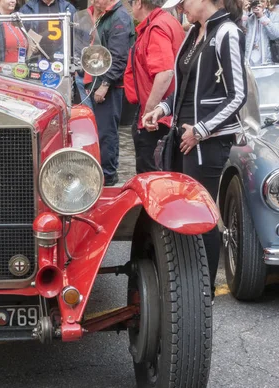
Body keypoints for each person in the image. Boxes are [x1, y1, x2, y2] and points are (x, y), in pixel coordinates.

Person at [142, 0, 247, 299]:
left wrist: (201, 131)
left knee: (202, 216)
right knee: (183, 214)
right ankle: (189, 288)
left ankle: (203, 293)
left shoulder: (227, 32)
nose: (181, 8)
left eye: (184, 2)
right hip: (183, 137)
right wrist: (161, 108)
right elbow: (185, 87)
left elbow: (238, 95)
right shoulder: (193, 33)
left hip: (206, 142)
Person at [124, 0, 185, 173]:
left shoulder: (156, 27)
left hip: (158, 119)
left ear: (138, 3)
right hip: (164, 113)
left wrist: (149, 112)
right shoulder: (165, 21)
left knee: (151, 177)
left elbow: (165, 72)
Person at [87, 0, 135, 186]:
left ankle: (107, 176)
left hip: (108, 86)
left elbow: (118, 57)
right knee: (100, 131)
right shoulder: (107, 15)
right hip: (96, 81)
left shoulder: (119, 17)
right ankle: (103, 172)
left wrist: (105, 84)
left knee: (106, 132)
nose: (93, 1)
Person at [242, 0, 279, 65]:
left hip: (267, 62)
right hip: (248, 61)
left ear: (266, 3)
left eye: (262, 1)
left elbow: (275, 35)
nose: (258, 4)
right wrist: (244, 12)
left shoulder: (273, 16)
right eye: (256, 1)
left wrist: (262, 16)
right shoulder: (247, 15)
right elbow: (240, 30)